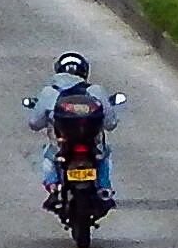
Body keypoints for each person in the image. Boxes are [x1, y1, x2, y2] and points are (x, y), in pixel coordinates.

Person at [27, 51, 121, 211]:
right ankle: (104, 188)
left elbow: (35, 123)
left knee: (48, 156)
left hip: (62, 145)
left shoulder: (50, 92)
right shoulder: (96, 91)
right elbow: (110, 123)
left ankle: (53, 187)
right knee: (103, 156)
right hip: (92, 145)